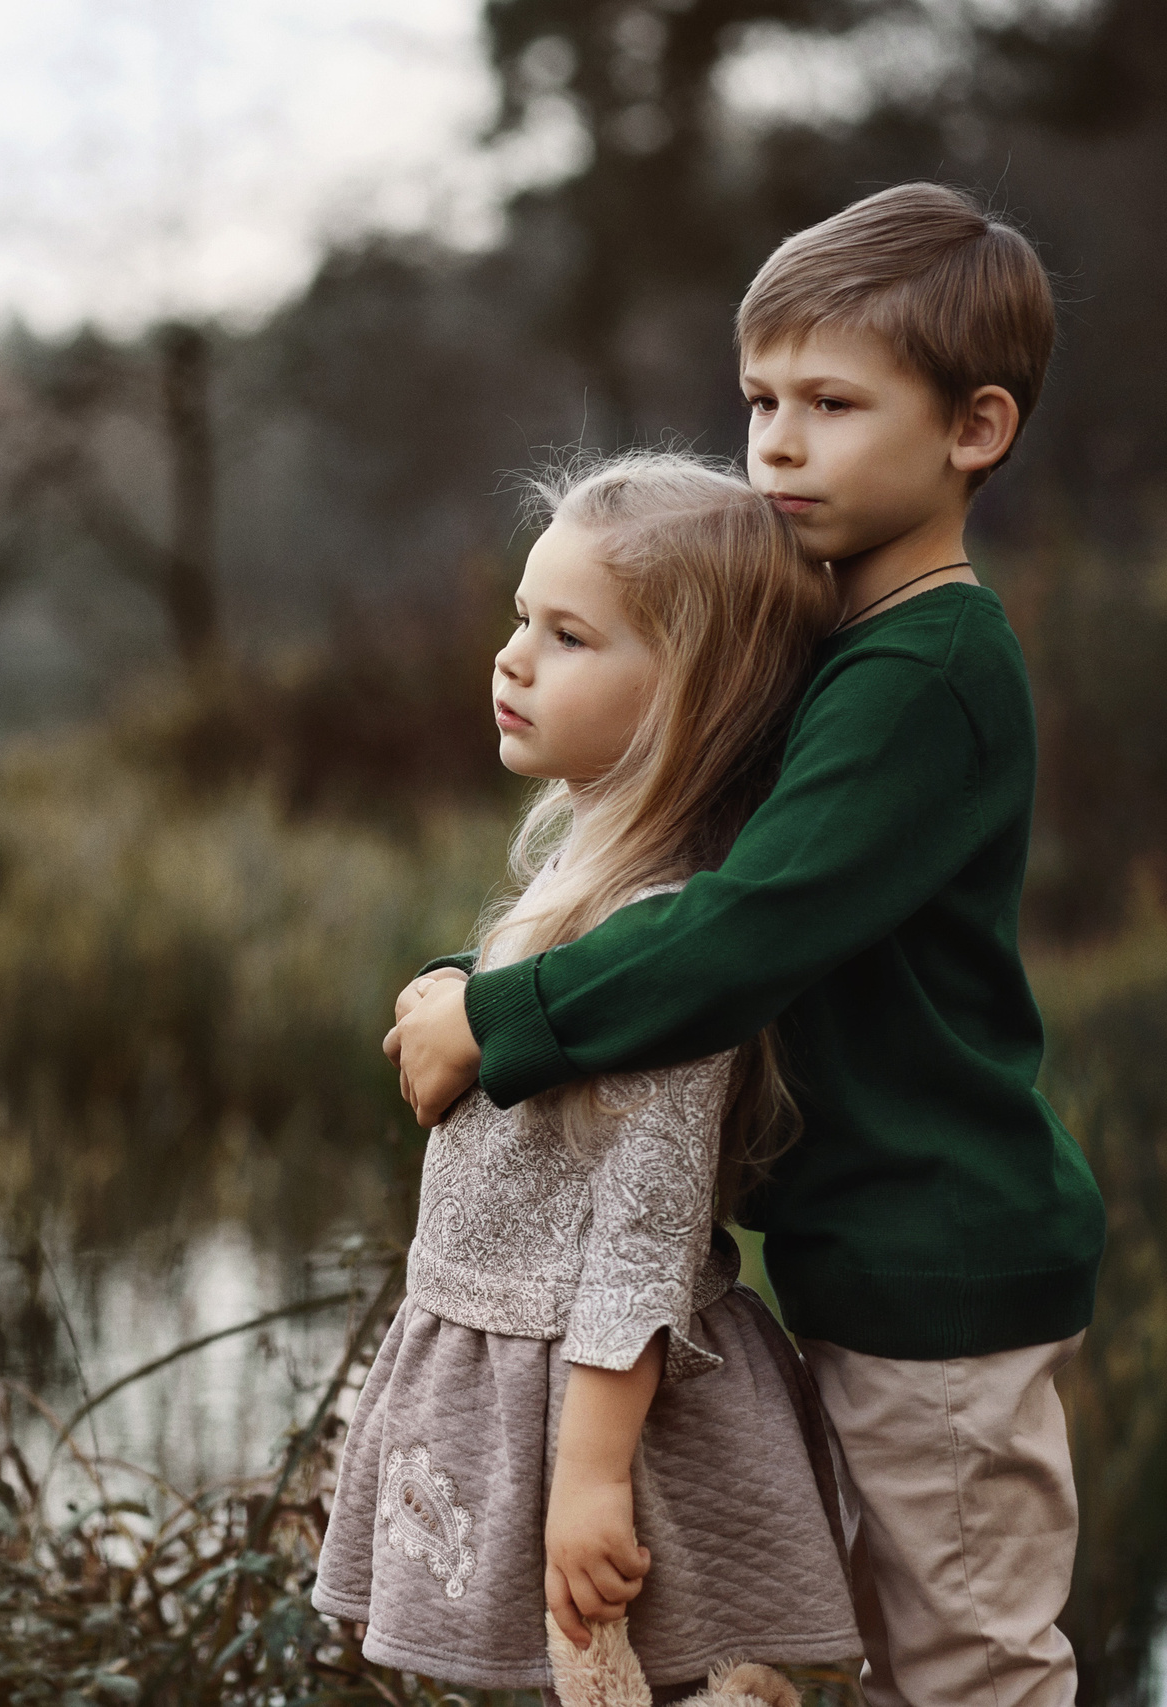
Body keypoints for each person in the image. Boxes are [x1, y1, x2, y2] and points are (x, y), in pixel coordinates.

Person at [387, 183, 1107, 1707]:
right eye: (761, 396)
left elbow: (742, 930)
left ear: (974, 428)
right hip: (861, 1256)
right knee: (821, 1646)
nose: (776, 439)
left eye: (832, 403)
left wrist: (496, 1017)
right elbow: (675, 827)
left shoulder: (929, 667)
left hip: (943, 1258)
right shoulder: (849, 641)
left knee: (968, 1663)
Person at [314, 453, 863, 1700]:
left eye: (568, 636)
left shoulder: (661, 945)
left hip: (599, 1406)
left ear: (692, 699)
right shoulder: (587, 882)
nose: (512, 660)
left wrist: (590, 1475)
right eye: (521, 619)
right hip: (507, 1374)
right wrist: (458, 986)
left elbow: (644, 1235)